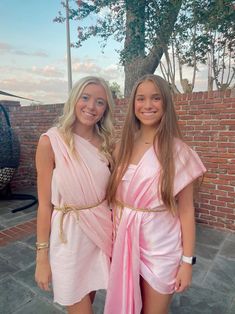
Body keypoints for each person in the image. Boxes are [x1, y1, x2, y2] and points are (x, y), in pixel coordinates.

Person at [104, 74, 206, 314]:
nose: (147, 105)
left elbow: (186, 211)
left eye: (155, 98)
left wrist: (187, 262)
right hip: (124, 241)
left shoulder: (178, 152)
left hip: (160, 248)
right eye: (141, 99)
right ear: (133, 105)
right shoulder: (122, 147)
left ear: (166, 103)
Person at [35, 76, 115, 314]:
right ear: (74, 100)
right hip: (68, 239)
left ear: (105, 110)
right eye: (85, 97)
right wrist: (41, 257)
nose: (91, 107)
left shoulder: (107, 144)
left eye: (100, 102)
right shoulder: (50, 142)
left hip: (100, 235)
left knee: (89, 299)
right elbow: (44, 206)